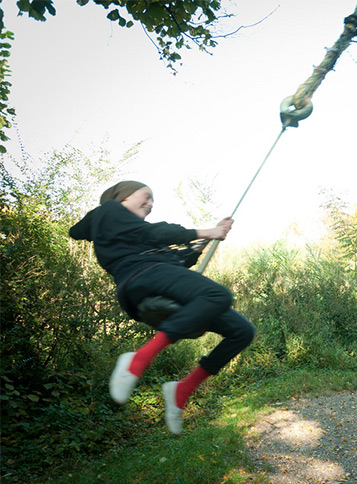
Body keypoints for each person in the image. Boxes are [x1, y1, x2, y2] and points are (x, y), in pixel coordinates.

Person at [69, 181, 255, 435]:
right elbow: (155, 233)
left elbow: (173, 259)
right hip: (141, 276)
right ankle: (139, 358)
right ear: (122, 197)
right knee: (217, 294)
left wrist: (197, 248)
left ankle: (182, 390)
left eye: (152, 201)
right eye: (145, 197)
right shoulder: (109, 210)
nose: (150, 204)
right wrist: (206, 231)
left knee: (242, 331)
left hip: (157, 275)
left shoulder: (131, 232)